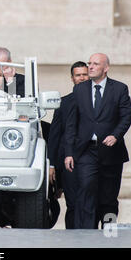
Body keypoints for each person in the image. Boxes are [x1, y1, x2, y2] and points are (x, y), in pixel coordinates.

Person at [64, 53, 131, 229]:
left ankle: (109, 231)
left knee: (109, 197)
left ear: (106, 68)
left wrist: (116, 135)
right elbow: (72, 123)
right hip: (86, 150)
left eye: (95, 64)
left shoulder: (119, 89)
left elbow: (126, 116)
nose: (91, 67)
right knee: (86, 189)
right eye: (90, 63)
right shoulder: (79, 89)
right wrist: (69, 153)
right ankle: (87, 235)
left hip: (111, 151)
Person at [48, 61, 88, 229]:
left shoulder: (97, 101)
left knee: (89, 203)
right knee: (72, 203)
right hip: (68, 162)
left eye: (84, 74)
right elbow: (54, 137)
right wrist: (51, 165)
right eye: (78, 75)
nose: (81, 78)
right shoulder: (63, 103)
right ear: (72, 78)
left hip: (89, 159)